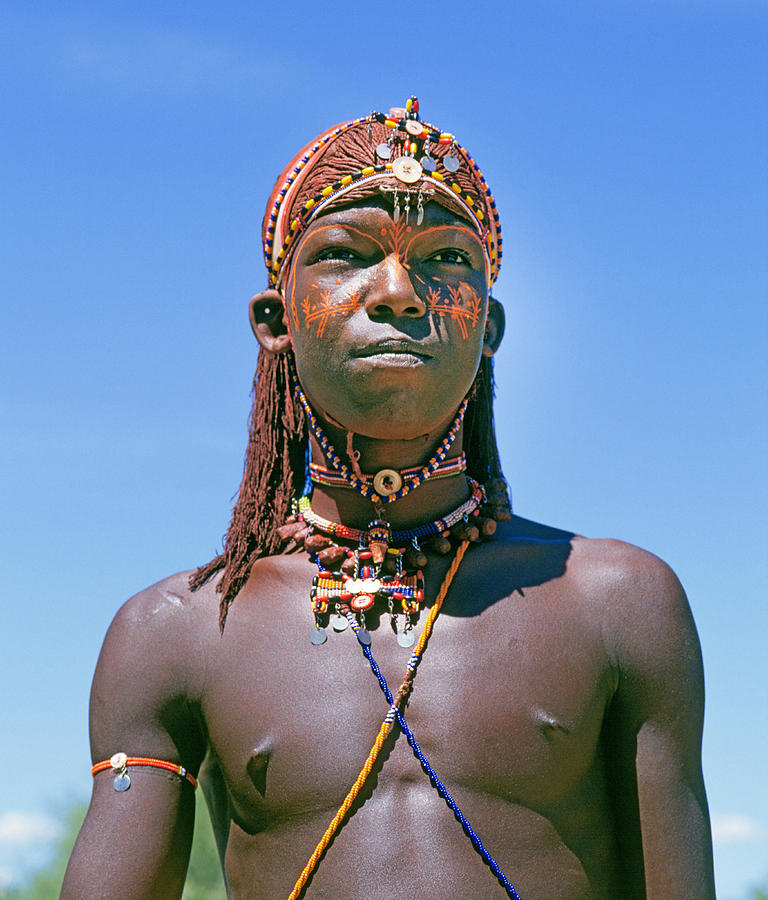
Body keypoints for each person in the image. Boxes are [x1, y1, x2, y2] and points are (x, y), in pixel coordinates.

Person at [62, 97, 715, 899]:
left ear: (490, 329)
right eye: (347, 254)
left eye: (446, 260)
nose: (401, 292)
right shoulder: (177, 630)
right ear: (276, 322)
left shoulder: (620, 601)